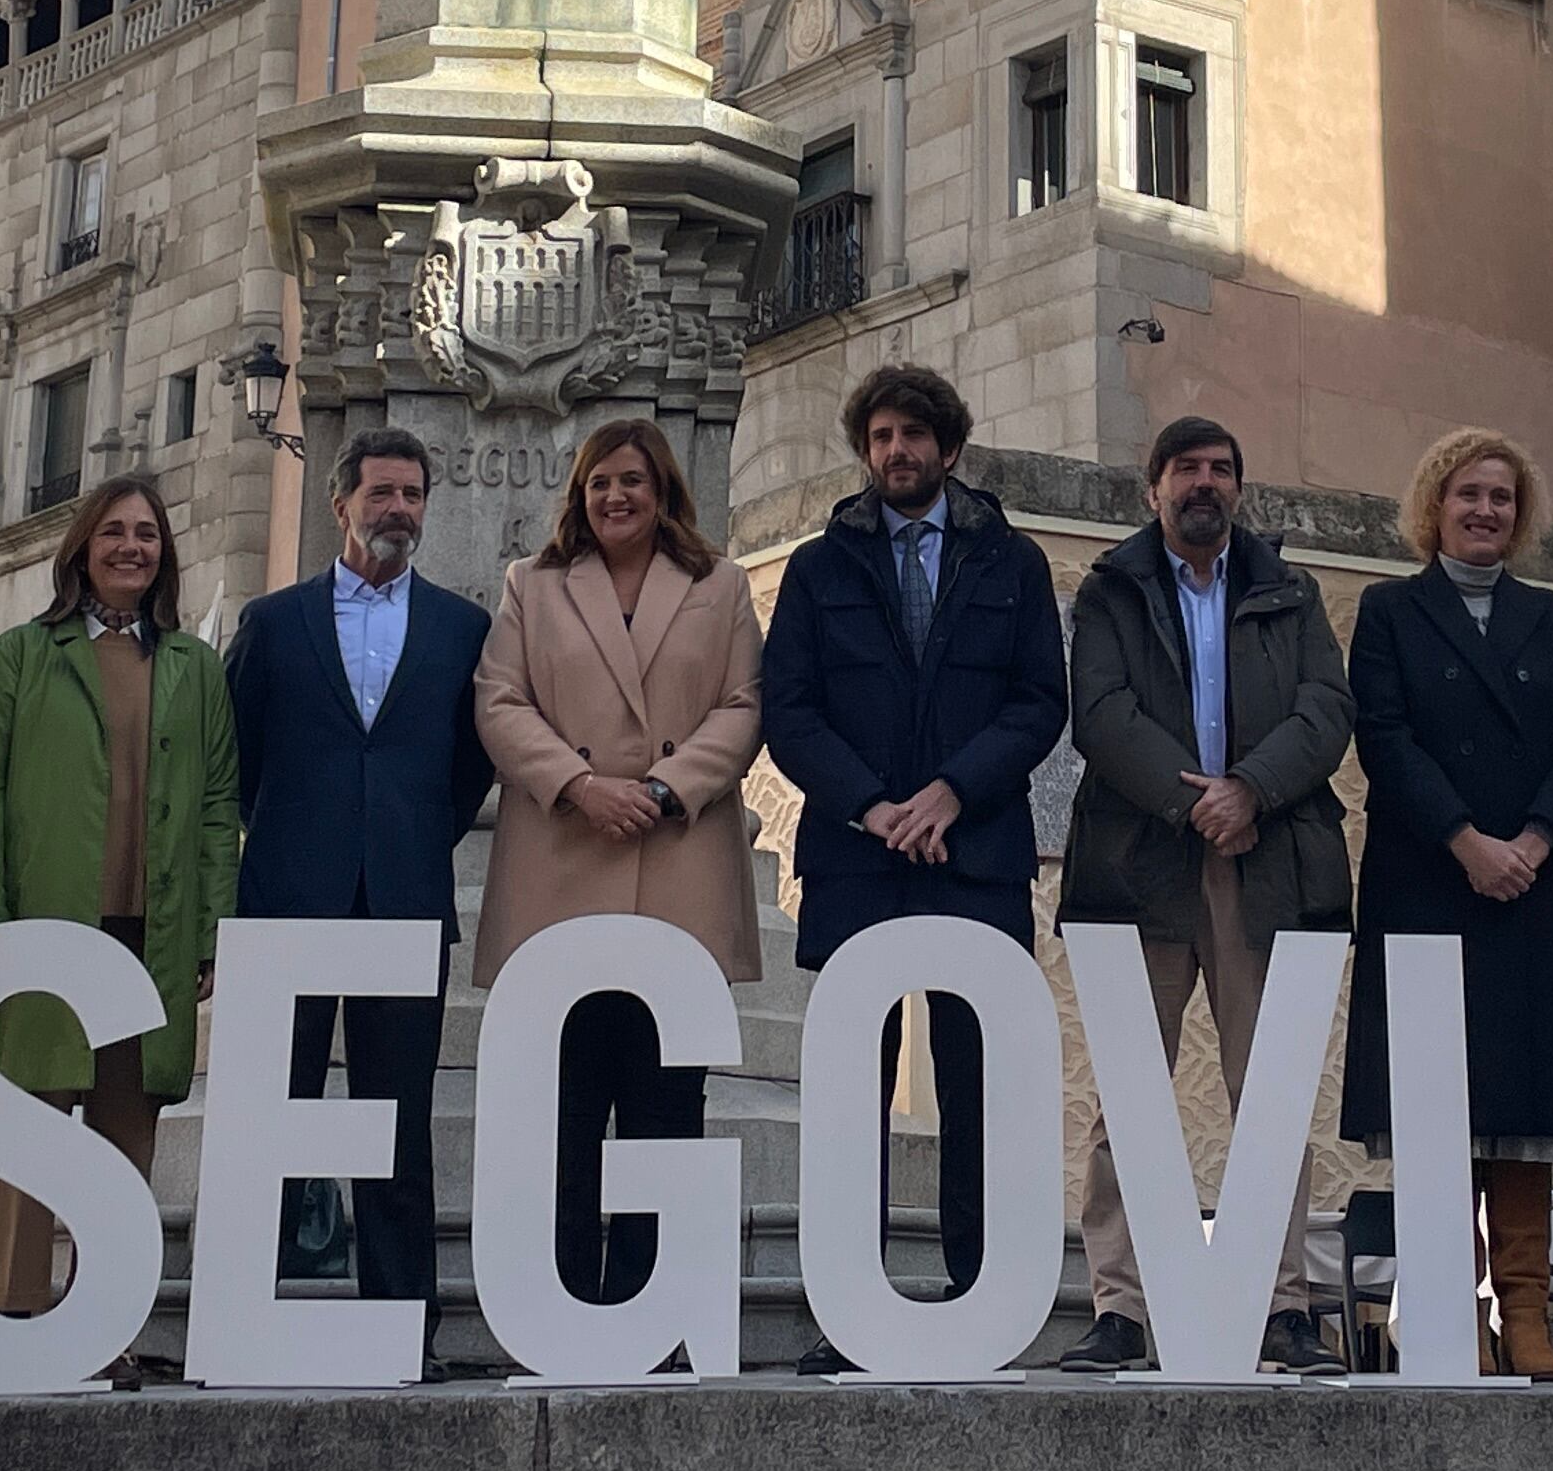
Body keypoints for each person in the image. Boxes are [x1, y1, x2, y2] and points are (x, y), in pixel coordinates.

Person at [760, 365, 1070, 1373]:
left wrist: (949, 795)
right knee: (856, 1084)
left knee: (982, 1083)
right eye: (882, 435)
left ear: (948, 447)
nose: (898, 451)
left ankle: (982, 1297)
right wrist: (874, 805)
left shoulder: (1011, 563)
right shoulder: (819, 568)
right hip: (858, 859)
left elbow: (1036, 703)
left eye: (914, 436)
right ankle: (846, 1311)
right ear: (866, 448)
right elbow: (790, 710)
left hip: (973, 854)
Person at [1062, 414, 1357, 1376]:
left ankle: (1282, 1309)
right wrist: (1198, 803)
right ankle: (1122, 1310)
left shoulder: (1289, 588)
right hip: (1141, 864)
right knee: (1128, 1098)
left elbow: (1326, 710)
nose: (1204, 483)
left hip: (1264, 866)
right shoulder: (1110, 590)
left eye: (1221, 469)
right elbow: (1100, 714)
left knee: (1267, 1092)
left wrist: (1252, 791)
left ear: (1239, 488)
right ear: (1153, 489)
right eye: (1185, 468)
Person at [1342, 428, 1553, 1380]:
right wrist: (1467, 842)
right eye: (1468, 494)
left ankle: (1529, 1312)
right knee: (1436, 1103)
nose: (1485, 511)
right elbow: (1382, 736)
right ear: (1436, 504)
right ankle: (1448, 1313)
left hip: (1534, 887)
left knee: (1526, 1095)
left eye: (1502, 497)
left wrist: (1534, 843)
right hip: (1429, 875)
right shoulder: (1388, 611)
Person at [0, 475, 239, 1368]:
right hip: (45, 930)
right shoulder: (21, 659)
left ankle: (105, 1323)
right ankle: (17, 1309)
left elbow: (219, 807)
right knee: (32, 1121)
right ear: (81, 548)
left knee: (125, 1132)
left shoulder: (193, 668)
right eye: (113, 532)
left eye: (147, 534)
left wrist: (211, 931)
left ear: (164, 556)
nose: (131, 548)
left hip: (150, 935)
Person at [470, 418, 767, 1308]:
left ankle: (650, 1303)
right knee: (563, 1106)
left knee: (664, 1105)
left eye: (632, 480)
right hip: (565, 859)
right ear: (579, 495)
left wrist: (668, 788)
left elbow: (743, 705)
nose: (615, 497)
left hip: (676, 861)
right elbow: (500, 700)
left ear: (663, 488)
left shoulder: (720, 587)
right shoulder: (534, 584)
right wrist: (580, 784)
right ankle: (563, 1303)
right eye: (599, 483)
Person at [225, 428, 497, 1366]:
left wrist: (409, 839)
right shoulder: (273, 621)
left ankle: (401, 1325)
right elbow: (238, 764)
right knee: (274, 1110)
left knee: (397, 1119)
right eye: (381, 494)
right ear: (340, 505)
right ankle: (246, 1311)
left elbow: (469, 771)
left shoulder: (465, 632)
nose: (398, 512)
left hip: (406, 902)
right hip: (288, 902)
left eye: (413, 496)